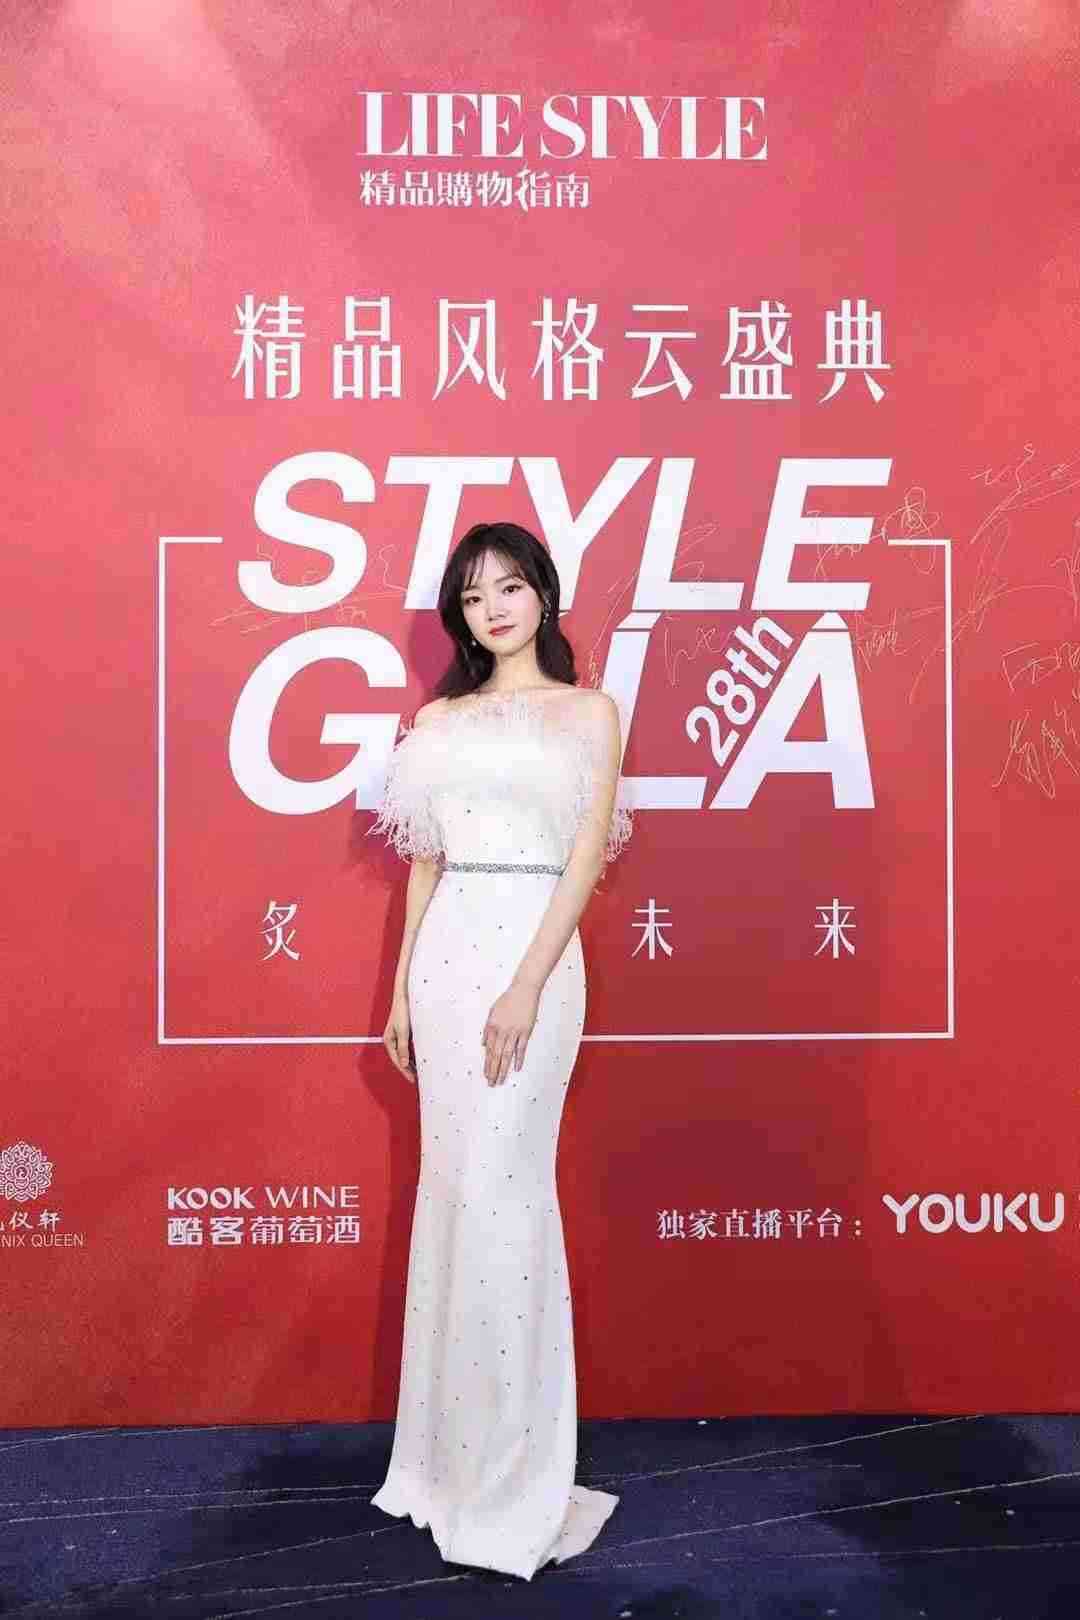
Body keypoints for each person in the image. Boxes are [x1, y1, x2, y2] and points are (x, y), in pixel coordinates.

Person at [365, 520, 633, 1580]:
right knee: (452, 1190)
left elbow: (585, 860)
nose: (494, 610)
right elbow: (425, 863)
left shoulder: (589, 712)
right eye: (474, 598)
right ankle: (445, 1464)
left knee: (507, 1193)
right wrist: (401, 987)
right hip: (445, 963)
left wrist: (525, 982)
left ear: (543, 595)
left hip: (535, 955)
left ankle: (515, 1479)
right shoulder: (438, 719)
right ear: (460, 617)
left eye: (510, 588)